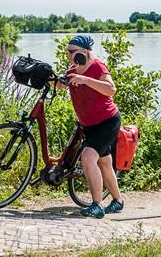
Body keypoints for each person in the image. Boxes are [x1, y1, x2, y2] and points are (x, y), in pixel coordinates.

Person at [55, 35, 124, 219]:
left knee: (87, 157)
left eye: (72, 51)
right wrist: (50, 80)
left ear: (85, 52)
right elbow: (61, 85)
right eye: (67, 51)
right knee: (104, 163)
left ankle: (97, 205)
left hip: (107, 122)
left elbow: (111, 89)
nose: (69, 55)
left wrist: (85, 80)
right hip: (89, 124)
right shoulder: (73, 69)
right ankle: (117, 201)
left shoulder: (97, 67)